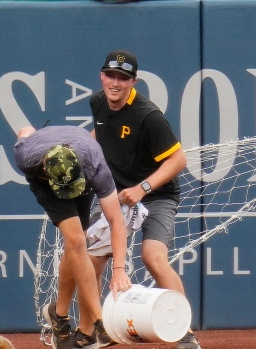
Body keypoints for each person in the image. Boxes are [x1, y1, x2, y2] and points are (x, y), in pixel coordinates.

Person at [89, 50, 201, 349]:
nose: (115, 83)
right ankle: (100, 327)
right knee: (93, 260)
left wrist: (143, 187)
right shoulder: (98, 102)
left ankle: (184, 332)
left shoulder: (147, 115)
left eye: (122, 78)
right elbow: (100, 134)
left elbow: (179, 160)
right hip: (115, 195)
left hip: (156, 195)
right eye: (110, 75)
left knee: (153, 257)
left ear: (133, 82)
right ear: (102, 76)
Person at [14, 125, 133, 349]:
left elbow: (116, 221)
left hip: (83, 170)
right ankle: (101, 322)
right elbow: (25, 130)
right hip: (47, 186)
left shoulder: (95, 167)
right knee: (77, 240)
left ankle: (58, 315)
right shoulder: (27, 157)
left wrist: (119, 269)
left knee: (79, 240)